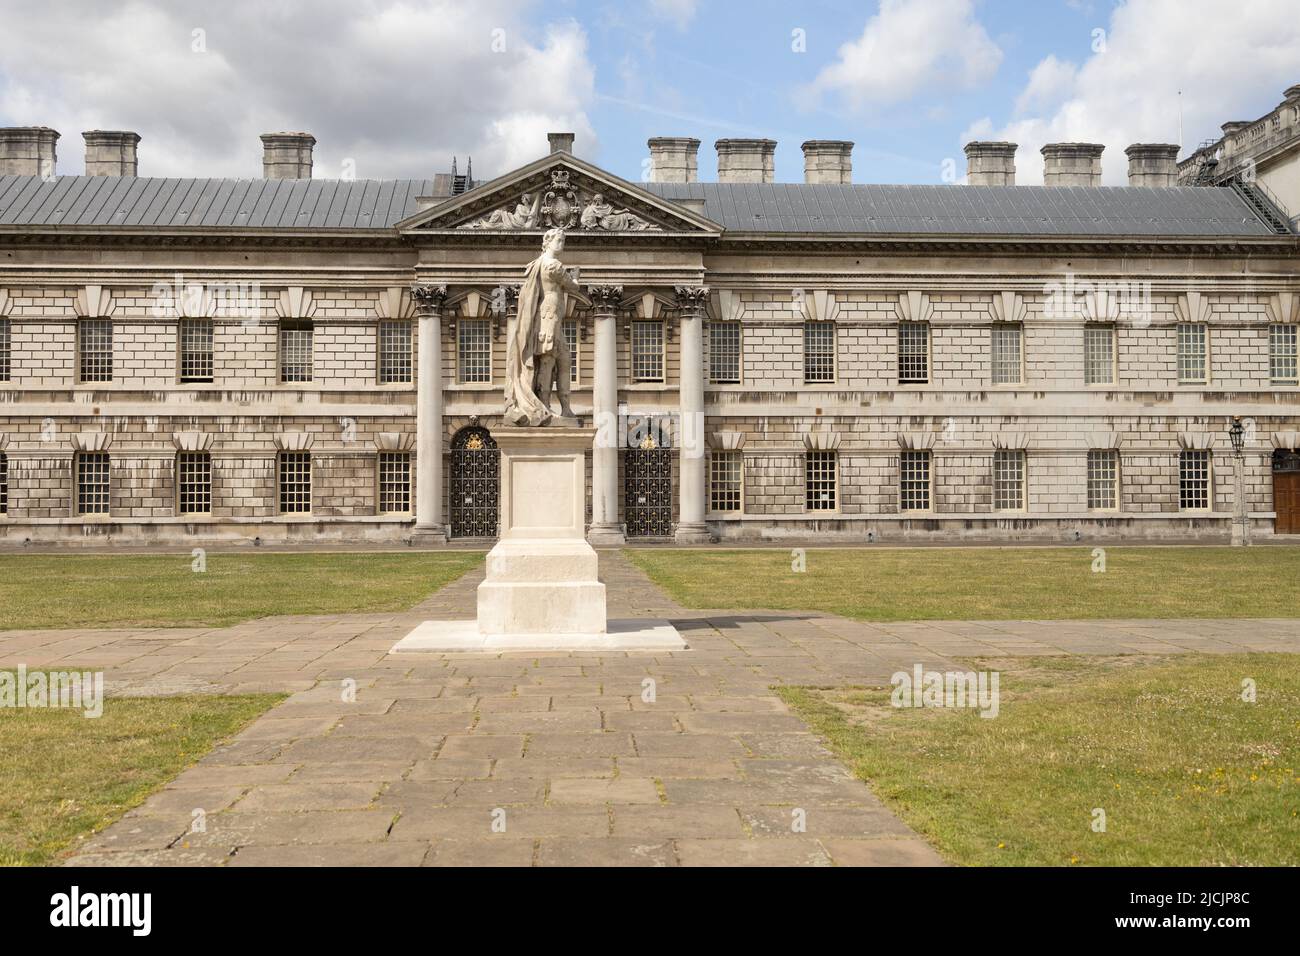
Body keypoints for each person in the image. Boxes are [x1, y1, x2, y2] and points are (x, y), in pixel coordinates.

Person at [505, 228, 581, 425]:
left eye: (563, 240)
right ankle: (545, 405)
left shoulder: (540, 264)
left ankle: (565, 408)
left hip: (551, 315)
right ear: (547, 242)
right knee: (548, 360)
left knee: (563, 359)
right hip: (548, 316)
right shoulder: (552, 265)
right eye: (558, 239)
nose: (561, 243)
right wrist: (576, 277)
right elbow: (573, 286)